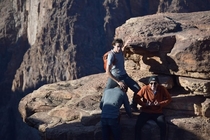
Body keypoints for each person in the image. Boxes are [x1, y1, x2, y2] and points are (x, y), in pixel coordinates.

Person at [104, 38, 141, 110]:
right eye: (118, 46)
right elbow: (107, 72)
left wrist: (126, 44)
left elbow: (123, 50)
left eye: (120, 46)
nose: (119, 48)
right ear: (113, 45)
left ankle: (133, 105)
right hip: (115, 77)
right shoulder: (111, 55)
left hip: (124, 76)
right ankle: (104, 108)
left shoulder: (121, 51)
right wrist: (118, 82)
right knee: (106, 92)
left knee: (138, 90)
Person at [135, 76, 172, 140]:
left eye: (155, 83)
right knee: (138, 125)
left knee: (163, 126)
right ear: (149, 84)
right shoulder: (145, 88)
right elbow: (137, 98)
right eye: (151, 83)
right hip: (146, 111)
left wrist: (160, 104)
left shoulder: (162, 88)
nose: (153, 85)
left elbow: (169, 99)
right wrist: (144, 104)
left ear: (158, 84)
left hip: (157, 112)